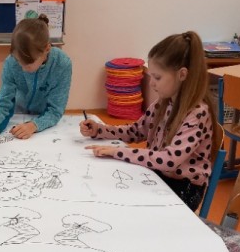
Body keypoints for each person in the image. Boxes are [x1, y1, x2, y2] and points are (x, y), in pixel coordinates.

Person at [80, 31, 218, 211]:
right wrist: (100, 130)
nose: (151, 83)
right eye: (151, 76)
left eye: (157, 77)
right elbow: (135, 131)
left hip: (184, 189)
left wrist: (118, 152)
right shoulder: (163, 103)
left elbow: (169, 160)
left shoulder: (197, 114)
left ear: (182, 74)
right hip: (159, 175)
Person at [0, 14, 72, 142]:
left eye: (28, 63)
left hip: (46, 121)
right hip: (18, 115)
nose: (22, 67)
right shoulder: (10, 62)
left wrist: (34, 125)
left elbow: (55, 110)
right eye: (18, 60)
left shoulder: (62, 64)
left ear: (47, 48)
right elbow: (4, 103)